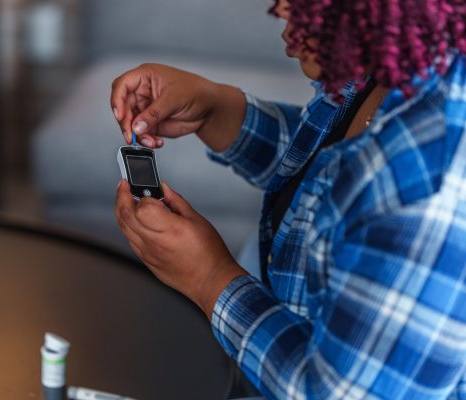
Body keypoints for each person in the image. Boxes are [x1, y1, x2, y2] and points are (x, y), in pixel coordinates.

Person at [111, 0, 466, 398]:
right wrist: (217, 110)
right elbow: (330, 172)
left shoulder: (429, 188)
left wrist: (208, 278)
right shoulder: (397, 65)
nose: (279, 8)